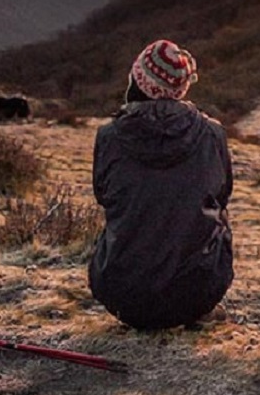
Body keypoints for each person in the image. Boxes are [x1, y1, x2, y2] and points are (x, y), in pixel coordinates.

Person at [88, 40, 233, 330]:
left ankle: (141, 292)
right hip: (196, 296)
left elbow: (103, 196)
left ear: (138, 81)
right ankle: (192, 302)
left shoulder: (109, 136)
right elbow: (222, 194)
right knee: (218, 216)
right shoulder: (212, 134)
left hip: (120, 294)